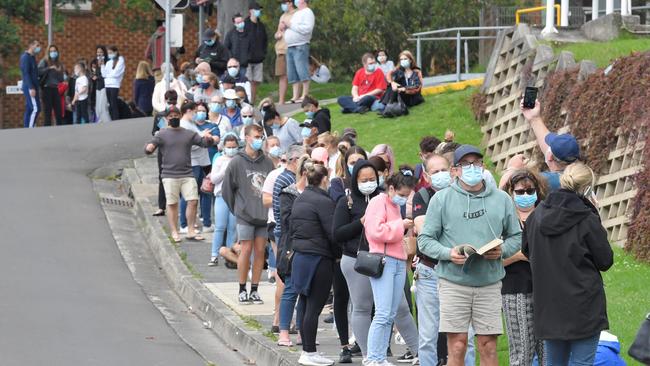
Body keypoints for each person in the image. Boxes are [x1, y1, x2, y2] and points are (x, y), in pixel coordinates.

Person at [418, 144, 522, 366]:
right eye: (466, 164)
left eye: (476, 163)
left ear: (483, 166)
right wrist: (448, 253)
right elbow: (424, 240)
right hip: (454, 282)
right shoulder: (441, 199)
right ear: (455, 170)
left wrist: (502, 250)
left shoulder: (502, 199)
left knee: (488, 346)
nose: (472, 168)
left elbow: (516, 237)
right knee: (457, 345)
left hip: (489, 283)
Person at [522, 162, 613, 365]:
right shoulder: (587, 218)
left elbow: (527, 251)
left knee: (554, 362)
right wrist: (596, 216)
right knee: (581, 362)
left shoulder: (535, 216)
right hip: (583, 305)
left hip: (549, 303)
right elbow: (605, 260)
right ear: (587, 188)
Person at [363, 167, 419, 365]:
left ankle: (378, 357)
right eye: (402, 195)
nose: (404, 199)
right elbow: (374, 231)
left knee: (390, 313)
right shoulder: (379, 202)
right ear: (392, 188)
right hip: (383, 259)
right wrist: (401, 226)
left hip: (395, 259)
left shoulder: (394, 205)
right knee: (383, 312)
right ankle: (373, 357)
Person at [144, 106, 218, 243]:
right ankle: (174, 231)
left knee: (193, 200)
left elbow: (202, 142)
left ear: (180, 115)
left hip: (187, 173)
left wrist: (209, 139)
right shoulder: (162, 133)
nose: (173, 118)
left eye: (176, 115)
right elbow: (152, 144)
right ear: (166, 119)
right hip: (169, 174)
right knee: (172, 204)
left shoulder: (188, 133)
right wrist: (148, 148)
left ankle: (190, 230)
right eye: (170, 116)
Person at [289, 162, 338, 366]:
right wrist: (338, 255)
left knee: (304, 304)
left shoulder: (299, 199)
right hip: (318, 258)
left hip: (300, 256)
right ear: (324, 180)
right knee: (314, 308)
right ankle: (309, 352)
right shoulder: (323, 201)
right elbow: (333, 233)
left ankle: (308, 350)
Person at [222, 124, 275, 305]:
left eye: (261, 136)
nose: (259, 139)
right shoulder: (237, 162)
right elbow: (227, 190)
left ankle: (254, 289)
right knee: (245, 249)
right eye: (256, 136)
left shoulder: (267, 162)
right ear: (247, 137)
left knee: (260, 251)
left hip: (262, 215)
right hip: (245, 214)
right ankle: (242, 288)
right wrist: (238, 209)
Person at [502, 169, 548, 366]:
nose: (525, 196)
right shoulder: (503, 219)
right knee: (523, 351)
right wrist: (521, 255)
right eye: (520, 192)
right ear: (511, 192)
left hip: (546, 290)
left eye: (530, 191)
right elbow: (492, 258)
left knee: (548, 351)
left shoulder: (546, 216)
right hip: (515, 289)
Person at [412, 154, 451, 366]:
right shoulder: (422, 197)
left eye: (443, 169)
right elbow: (423, 229)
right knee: (428, 335)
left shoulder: (462, 195)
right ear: (426, 175)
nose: (440, 175)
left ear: (452, 170)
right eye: (435, 172)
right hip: (429, 271)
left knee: (464, 335)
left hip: (459, 271)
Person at [521, 99, 580, 191]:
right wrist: (534, 118)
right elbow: (547, 143)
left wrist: (512, 168)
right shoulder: (581, 179)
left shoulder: (545, 181)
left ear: (549, 157)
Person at [178, 102, 216, 236]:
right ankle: (184, 224)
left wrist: (201, 135)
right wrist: (202, 137)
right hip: (192, 163)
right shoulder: (183, 125)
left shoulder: (191, 124)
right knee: (189, 194)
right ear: (188, 111)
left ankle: (206, 222)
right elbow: (188, 145)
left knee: (205, 191)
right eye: (195, 111)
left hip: (201, 161)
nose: (197, 114)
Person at [209, 133, 240, 266]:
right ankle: (214, 254)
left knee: (233, 227)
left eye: (234, 146)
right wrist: (225, 171)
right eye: (229, 146)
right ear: (224, 147)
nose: (231, 149)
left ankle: (229, 255)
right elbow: (214, 179)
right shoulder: (220, 160)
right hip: (221, 196)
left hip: (235, 197)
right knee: (220, 227)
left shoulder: (240, 160)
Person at [151, 90, 179, 217]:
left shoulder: (180, 114)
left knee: (179, 177)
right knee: (162, 176)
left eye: (173, 102)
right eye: (169, 102)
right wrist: (159, 133)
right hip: (163, 149)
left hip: (178, 149)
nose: (171, 104)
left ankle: (175, 205)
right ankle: (161, 206)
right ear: (165, 101)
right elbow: (153, 132)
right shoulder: (160, 116)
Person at [281, 0, 315, 103]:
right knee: (292, 72)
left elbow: (307, 29)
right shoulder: (297, 13)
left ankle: (305, 94)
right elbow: (292, 27)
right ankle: (295, 96)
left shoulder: (308, 12)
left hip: (300, 45)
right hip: (290, 46)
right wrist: (285, 28)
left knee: (302, 69)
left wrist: (290, 25)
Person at [274, 0, 297, 104]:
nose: (282, 5)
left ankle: (295, 97)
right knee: (282, 75)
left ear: (290, 3)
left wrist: (287, 25)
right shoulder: (282, 16)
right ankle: (281, 100)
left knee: (294, 74)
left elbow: (299, 29)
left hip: (292, 48)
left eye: (284, 2)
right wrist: (277, 35)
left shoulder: (297, 14)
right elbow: (278, 31)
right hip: (281, 49)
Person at [245, 1, 267, 105]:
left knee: (255, 82)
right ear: (250, 11)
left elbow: (265, 40)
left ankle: (252, 102)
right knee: (248, 81)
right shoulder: (245, 24)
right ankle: (247, 101)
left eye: (259, 10)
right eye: (256, 9)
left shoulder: (261, 25)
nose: (258, 11)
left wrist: (263, 53)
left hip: (259, 59)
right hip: (247, 59)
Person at [38, 44, 64, 126]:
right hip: (46, 89)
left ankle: (60, 130)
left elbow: (61, 79)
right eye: (51, 51)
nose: (53, 53)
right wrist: (49, 68)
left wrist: (59, 71)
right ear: (48, 52)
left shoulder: (59, 63)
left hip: (55, 89)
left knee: (58, 112)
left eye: (54, 51)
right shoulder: (44, 61)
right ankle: (47, 130)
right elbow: (38, 72)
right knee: (47, 112)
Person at [101, 45, 126, 121]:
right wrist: (102, 65)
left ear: (115, 52)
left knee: (113, 103)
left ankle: (116, 119)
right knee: (110, 104)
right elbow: (104, 74)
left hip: (114, 85)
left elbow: (116, 73)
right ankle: (112, 119)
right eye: (108, 53)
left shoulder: (120, 60)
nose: (109, 54)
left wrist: (108, 75)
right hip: (107, 84)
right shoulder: (108, 62)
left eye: (111, 52)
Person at [21, 40, 41, 128]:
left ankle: (27, 127)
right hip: (30, 87)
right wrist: (31, 87)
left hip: (34, 86)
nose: (38, 47)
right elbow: (26, 73)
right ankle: (30, 128)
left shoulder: (32, 57)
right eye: (37, 45)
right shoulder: (25, 57)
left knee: (29, 108)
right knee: (36, 108)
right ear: (31, 45)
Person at [92, 45, 112, 123]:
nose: (99, 54)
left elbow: (105, 75)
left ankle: (108, 122)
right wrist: (94, 75)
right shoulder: (96, 62)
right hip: (98, 87)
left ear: (104, 53)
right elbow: (95, 73)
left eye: (101, 52)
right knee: (97, 109)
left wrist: (98, 77)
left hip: (104, 86)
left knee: (103, 107)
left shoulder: (107, 62)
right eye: (98, 52)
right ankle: (101, 122)